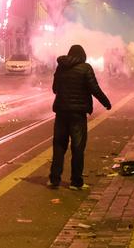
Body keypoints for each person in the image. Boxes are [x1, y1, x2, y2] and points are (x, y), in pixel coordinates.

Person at [48, 44, 111, 190]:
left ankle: (54, 179)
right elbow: (94, 89)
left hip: (61, 112)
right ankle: (76, 182)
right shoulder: (85, 68)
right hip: (78, 114)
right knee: (77, 147)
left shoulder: (60, 67)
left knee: (58, 146)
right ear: (82, 56)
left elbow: (55, 89)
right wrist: (106, 103)